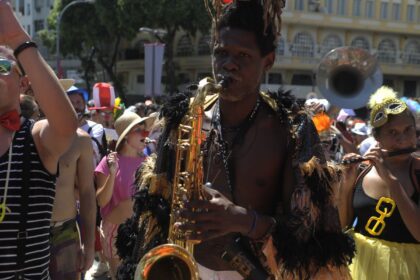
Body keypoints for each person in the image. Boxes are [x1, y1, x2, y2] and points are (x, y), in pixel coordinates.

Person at [117, 1, 354, 279]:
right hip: (185, 267)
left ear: (268, 60)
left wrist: (242, 220)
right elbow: (154, 208)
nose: (228, 65)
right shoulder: (184, 117)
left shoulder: (289, 128)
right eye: (221, 53)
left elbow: (307, 230)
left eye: (243, 55)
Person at [0, 1, 78, 279]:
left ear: (23, 83)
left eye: (1, 66)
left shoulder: (34, 137)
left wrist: (18, 40)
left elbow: (67, 125)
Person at [338, 86, 420, 279]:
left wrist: (391, 181)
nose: (402, 139)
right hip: (359, 267)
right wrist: (347, 183)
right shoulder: (363, 170)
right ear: (376, 138)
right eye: (392, 132)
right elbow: (344, 225)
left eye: (408, 130)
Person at [95, 111, 153, 279]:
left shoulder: (149, 161)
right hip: (116, 232)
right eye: (139, 130)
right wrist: (112, 173)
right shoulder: (108, 162)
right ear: (126, 136)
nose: (145, 134)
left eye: (145, 129)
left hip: (142, 231)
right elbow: (101, 200)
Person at [49, 128, 96, 279]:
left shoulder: (80, 140)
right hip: (28, 230)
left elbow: (87, 192)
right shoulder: (26, 132)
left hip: (65, 232)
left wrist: (89, 245)